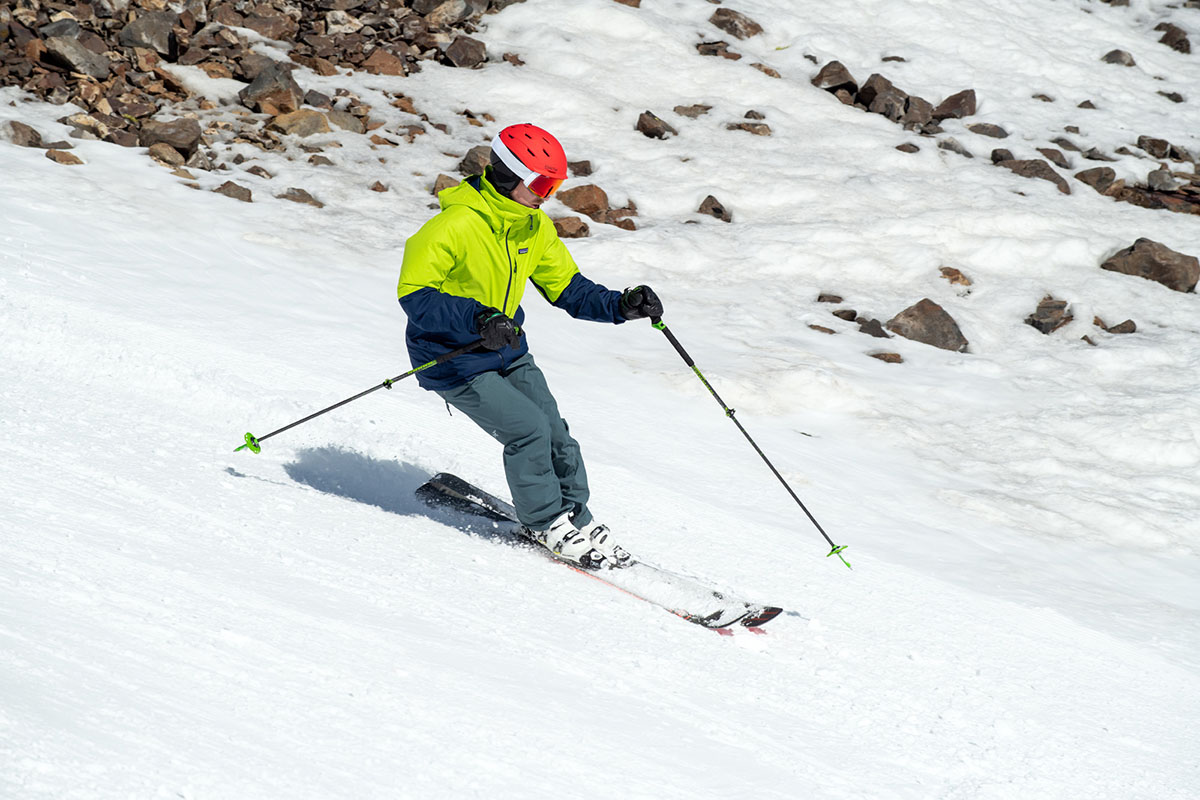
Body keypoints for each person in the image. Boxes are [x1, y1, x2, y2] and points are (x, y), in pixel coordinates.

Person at [398, 123, 663, 568]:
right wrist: (477, 318)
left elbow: (569, 290)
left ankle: (575, 519)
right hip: (453, 359)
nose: (548, 194)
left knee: (557, 434)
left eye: (555, 185)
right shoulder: (453, 225)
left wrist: (622, 305)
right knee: (528, 431)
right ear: (508, 175)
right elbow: (416, 296)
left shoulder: (533, 226)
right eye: (541, 183)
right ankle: (544, 523)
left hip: (507, 350)